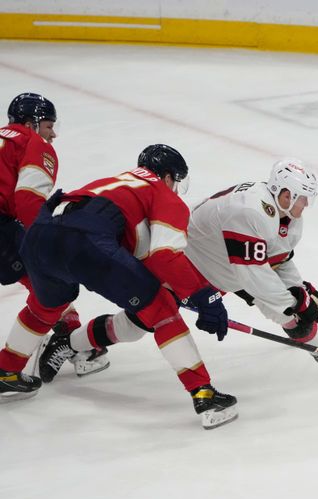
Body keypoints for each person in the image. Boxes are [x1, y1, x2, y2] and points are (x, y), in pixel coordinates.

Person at [22, 144, 237, 429]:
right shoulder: (163, 195)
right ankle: (204, 394)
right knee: (161, 311)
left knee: (47, 307)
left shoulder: (115, 183)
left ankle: (20, 366)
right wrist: (202, 295)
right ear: (169, 176)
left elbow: (138, 251)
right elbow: (164, 257)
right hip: (88, 246)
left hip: (41, 236)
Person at [184, 158, 318, 376]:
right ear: (285, 194)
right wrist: (298, 302)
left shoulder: (286, 216)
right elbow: (254, 277)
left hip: (225, 260)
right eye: (302, 198)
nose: (306, 204)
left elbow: (278, 260)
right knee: (145, 317)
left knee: (291, 314)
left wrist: (301, 291)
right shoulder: (250, 211)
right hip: (189, 259)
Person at [0, 93, 67, 401]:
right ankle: (7, 370)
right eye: (49, 126)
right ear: (31, 123)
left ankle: (69, 326)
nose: (52, 134)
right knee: (50, 288)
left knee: (45, 280)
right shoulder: (34, 143)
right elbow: (27, 200)